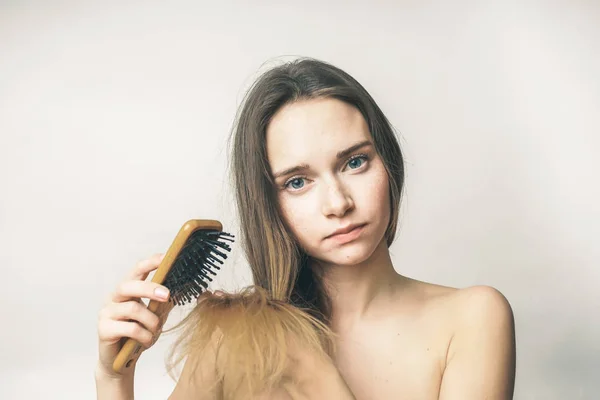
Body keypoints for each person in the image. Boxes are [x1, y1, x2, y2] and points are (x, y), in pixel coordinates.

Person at [95, 57, 516, 399]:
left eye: (355, 162)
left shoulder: (472, 318)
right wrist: (113, 378)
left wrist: (309, 372)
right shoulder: (237, 335)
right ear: (269, 203)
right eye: (297, 182)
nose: (338, 203)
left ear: (388, 163)